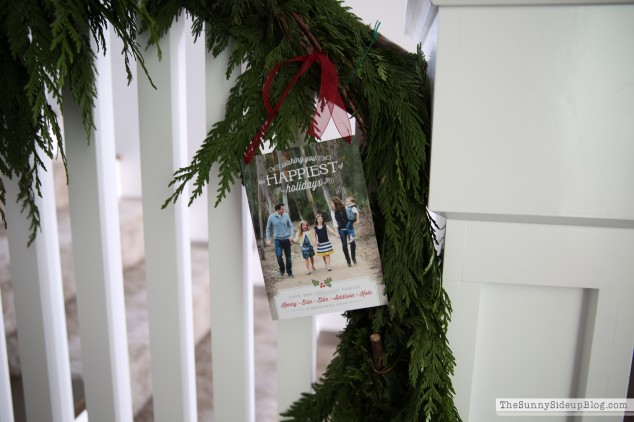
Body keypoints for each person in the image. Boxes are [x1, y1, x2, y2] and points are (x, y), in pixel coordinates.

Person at [265, 202, 294, 278]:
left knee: (288, 257)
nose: (283, 210)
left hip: (286, 239)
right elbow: (268, 228)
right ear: (278, 209)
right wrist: (268, 239)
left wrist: (291, 235)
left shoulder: (286, 215)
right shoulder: (271, 217)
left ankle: (289, 272)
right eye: (282, 209)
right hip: (277, 240)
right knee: (279, 256)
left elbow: (290, 226)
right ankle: (281, 270)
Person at [331, 196, 356, 266]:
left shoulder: (346, 208)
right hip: (341, 230)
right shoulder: (333, 212)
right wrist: (336, 233)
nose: (331, 204)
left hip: (350, 228)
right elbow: (335, 223)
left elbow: (352, 215)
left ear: (335, 202)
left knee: (353, 243)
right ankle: (348, 261)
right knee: (344, 245)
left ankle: (353, 258)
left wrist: (353, 221)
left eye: (331, 203)